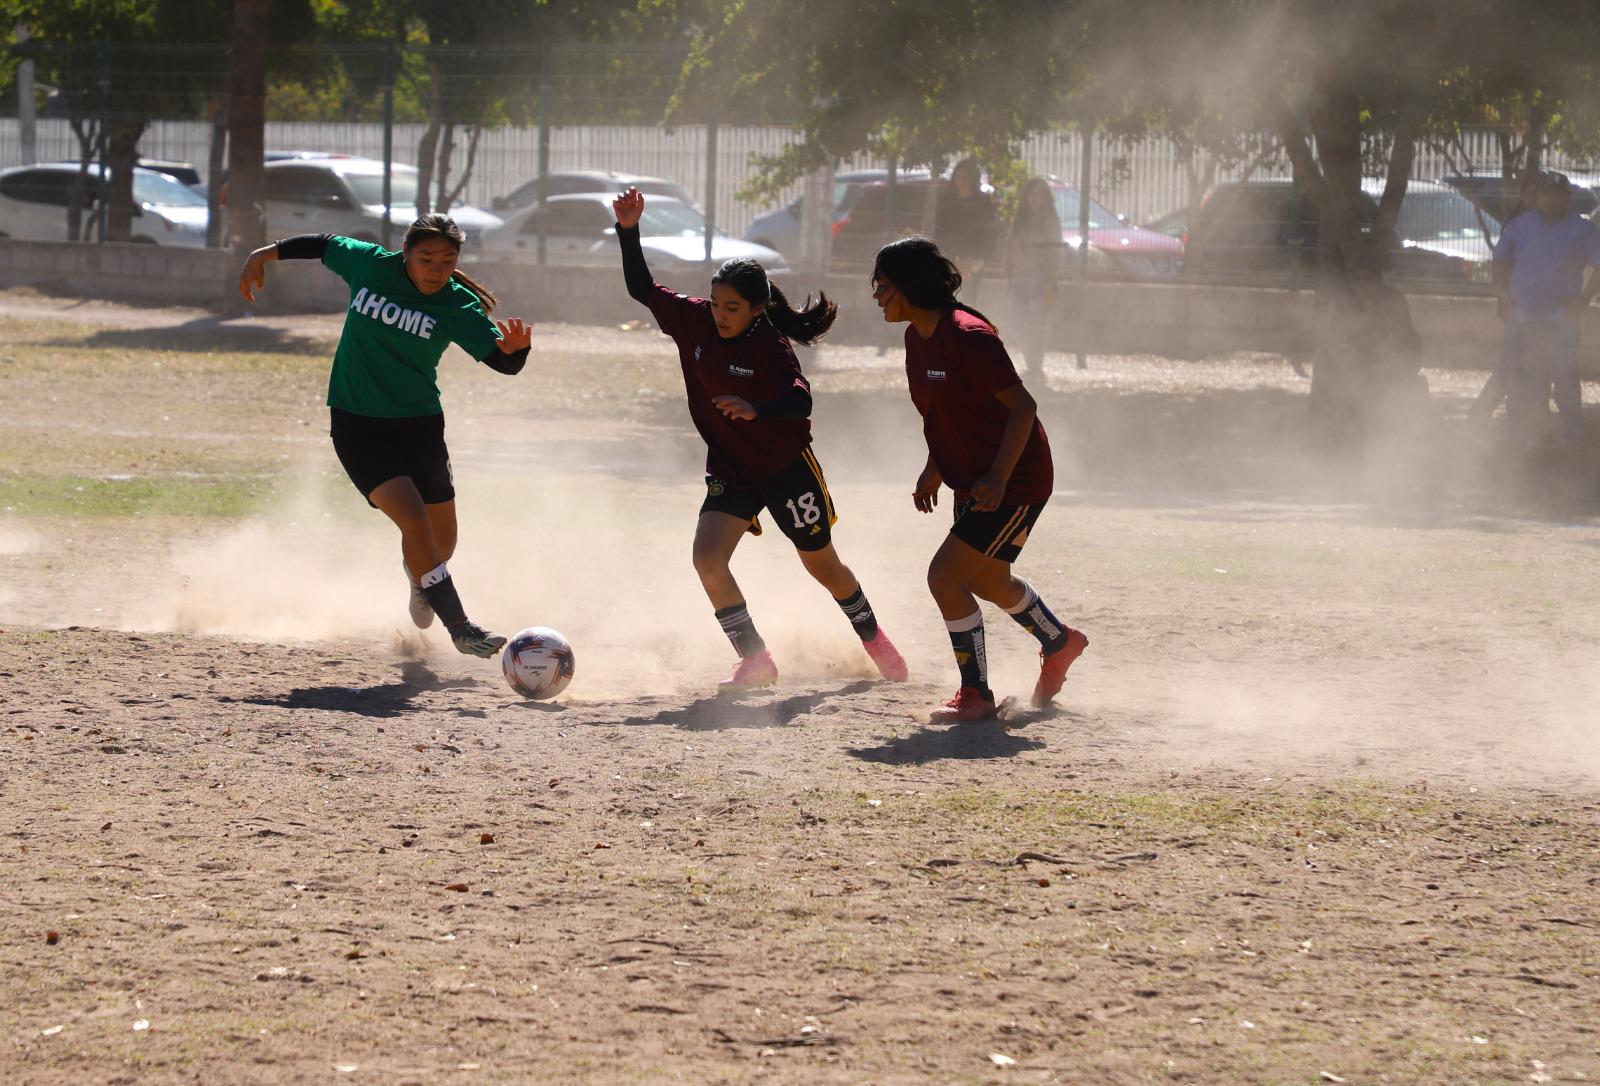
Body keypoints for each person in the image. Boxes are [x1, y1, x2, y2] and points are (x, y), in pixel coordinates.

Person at [610, 186, 908, 690]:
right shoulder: (695, 321)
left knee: (823, 566)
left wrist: (756, 409)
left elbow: (801, 402)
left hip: (785, 468)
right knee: (707, 559)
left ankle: (874, 638)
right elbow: (642, 287)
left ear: (755, 310)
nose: (720, 314)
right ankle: (755, 659)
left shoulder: (771, 346)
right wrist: (628, 229)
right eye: (717, 302)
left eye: (732, 307)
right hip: (732, 469)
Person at [237, 215, 532, 658]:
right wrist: (262, 254)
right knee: (413, 520)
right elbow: (322, 242)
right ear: (406, 252)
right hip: (358, 423)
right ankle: (461, 628)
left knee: (442, 539)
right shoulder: (371, 266)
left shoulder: (458, 306)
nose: (436, 268)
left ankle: (421, 579)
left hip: (420, 427)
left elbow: (504, 364)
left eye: (447, 260)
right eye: (426, 257)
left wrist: (517, 351)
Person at [870, 235, 1088, 724]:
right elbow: (944, 413)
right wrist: (934, 467)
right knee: (989, 580)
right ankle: (1059, 641)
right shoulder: (915, 339)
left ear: (908, 287)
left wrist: (997, 475)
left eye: (882, 286)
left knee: (945, 576)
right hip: (974, 478)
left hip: (1015, 480)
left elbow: (1024, 409)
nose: (876, 296)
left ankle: (976, 696)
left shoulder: (970, 336)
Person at [1491, 170, 1600, 444]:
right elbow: (1500, 262)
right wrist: (1503, 296)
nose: (1552, 200)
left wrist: (1585, 298)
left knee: (1564, 377)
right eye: (1546, 194)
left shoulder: (1582, 229)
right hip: (1522, 317)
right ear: (1537, 197)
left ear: (1567, 198)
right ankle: (1523, 438)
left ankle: (1571, 440)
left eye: (1558, 195)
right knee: (1520, 376)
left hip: (1561, 319)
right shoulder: (1519, 226)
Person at [1006, 177, 1065, 381]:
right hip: (1020, 279)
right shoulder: (1019, 219)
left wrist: (1050, 281)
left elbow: (1057, 253)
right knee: (1016, 321)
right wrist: (1010, 279)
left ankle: (1036, 368)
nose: (1035, 198)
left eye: (1039, 194)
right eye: (1032, 193)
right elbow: (1011, 250)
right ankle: (1031, 363)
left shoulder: (1050, 220)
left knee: (1037, 323)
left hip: (1041, 279)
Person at [934, 158, 1000, 297]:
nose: (962, 181)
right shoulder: (947, 202)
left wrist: (977, 263)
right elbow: (940, 234)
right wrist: (953, 261)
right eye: (958, 177)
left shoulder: (984, 202)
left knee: (969, 306)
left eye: (966, 177)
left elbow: (991, 235)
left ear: (973, 178)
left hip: (974, 265)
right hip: (950, 264)